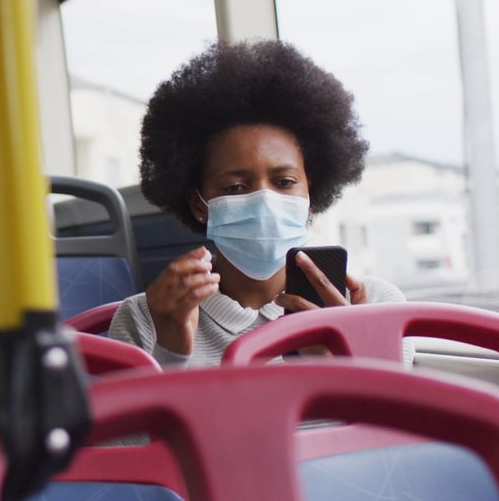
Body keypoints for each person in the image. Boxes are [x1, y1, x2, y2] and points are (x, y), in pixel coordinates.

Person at [109, 41, 405, 368]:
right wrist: (170, 351)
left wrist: (351, 363)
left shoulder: (378, 304)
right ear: (199, 204)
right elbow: (143, 420)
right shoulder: (146, 316)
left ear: (311, 192)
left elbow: (400, 418)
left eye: (284, 182)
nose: (265, 199)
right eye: (236, 187)